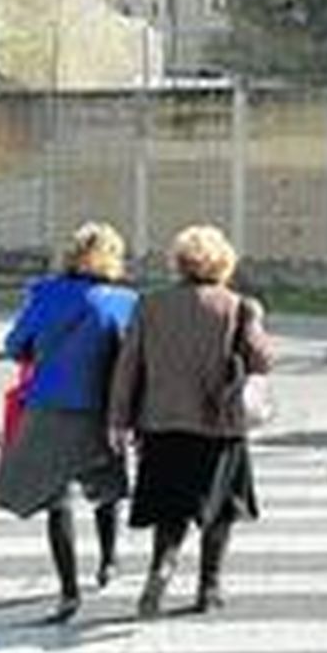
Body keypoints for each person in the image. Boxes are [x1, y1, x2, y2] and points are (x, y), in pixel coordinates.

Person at [109, 224, 274, 619]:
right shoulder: (236, 306)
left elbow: (128, 367)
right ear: (223, 263)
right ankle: (209, 587)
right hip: (218, 425)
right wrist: (257, 323)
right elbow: (262, 361)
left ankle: (161, 568)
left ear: (179, 263)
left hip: (162, 424)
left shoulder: (149, 305)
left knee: (171, 510)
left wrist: (118, 419)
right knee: (219, 511)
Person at [0, 222, 137, 624]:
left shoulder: (45, 294)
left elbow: (14, 345)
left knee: (57, 503)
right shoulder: (125, 301)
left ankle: (68, 593)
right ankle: (108, 563)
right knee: (107, 490)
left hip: (50, 406)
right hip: (102, 410)